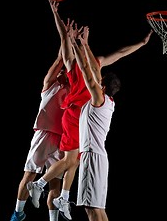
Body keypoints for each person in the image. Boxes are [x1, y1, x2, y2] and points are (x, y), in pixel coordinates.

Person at [27, 0, 154, 221]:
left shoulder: (97, 63)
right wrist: (59, 19)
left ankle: (57, 193)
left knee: (74, 160)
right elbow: (65, 42)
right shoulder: (77, 66)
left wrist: (141, 44)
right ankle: (46, 187)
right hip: (76, 113)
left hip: (85, 115)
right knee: (72, 160)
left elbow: (122, 52)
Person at [10, 45, 70, 221]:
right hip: (44, 134)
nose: (62, 72)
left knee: (55, 183)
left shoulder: (74, 88)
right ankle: (18, 213)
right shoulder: (50, 83)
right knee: (29, 175)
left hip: (62, 138)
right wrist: (66, 39)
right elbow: (60, 59)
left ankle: (53, 219)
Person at [70, 25, 120, 221]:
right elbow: (92, 70)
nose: (97, 81)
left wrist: (79, 44)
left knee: (92, 209)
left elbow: (86, 69)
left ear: (103, 86)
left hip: (92, 156)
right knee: (98, 209)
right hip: (99, 157)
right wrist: (84, 44)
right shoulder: (109, 102)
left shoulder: (99, 100)